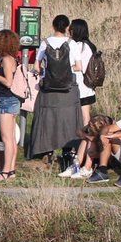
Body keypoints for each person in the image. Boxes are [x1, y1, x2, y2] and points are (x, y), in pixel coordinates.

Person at [28, 15, 84, 168]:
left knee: (48, 119)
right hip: (68, 88)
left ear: (53, 26)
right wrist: (66, 70)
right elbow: (79, 67)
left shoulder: (45, 43)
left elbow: (36, 67)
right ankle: (68, 151)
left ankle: (47, 150)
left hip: (49, 89)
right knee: (69, 120)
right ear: (67, 28)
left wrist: (50, 72)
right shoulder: (71, 44)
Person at [0, 29, 23, 182]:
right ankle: (11, 170)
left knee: (6, 138)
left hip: (7, 100)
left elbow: (8, 83)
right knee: (12, 137)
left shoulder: (6, 60)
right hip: (11, 100)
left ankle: (5, 171)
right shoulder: (12, 58)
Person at [59, 114, 114, 180]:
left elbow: (97, 140)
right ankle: (76, 165)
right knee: (85, 140)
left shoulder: (107, 129)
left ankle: (87, 168)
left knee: (90, 141)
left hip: (105, 153)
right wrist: (86, 136)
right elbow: (78, 131)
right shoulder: (91, 125)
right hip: (93, 151)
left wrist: (89, 137)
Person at [68, 18, 97, 124]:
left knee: (84, 116)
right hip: (87, 86)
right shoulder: (88, 45)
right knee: (85, 115)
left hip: (81, 85)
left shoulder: (80, 46)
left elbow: (80, 67)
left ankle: (84, 137)